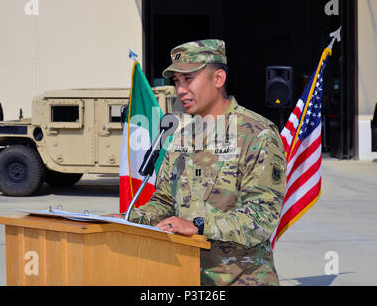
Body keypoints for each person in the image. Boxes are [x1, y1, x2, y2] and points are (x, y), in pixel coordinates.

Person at [110, 39, 287, 286]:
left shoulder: (257, 134)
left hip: (242, 279)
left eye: (188, 79)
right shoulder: (181, 136)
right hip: (186, 274)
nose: (180, 89)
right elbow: (164, 201)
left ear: (218, 79)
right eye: (176, 82)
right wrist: (125, 219)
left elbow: (262, 217)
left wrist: (198, 226)